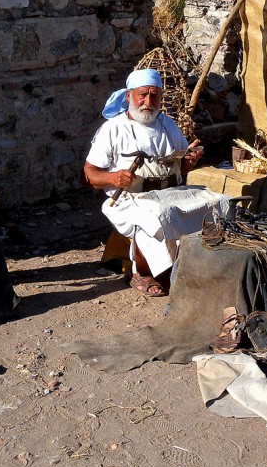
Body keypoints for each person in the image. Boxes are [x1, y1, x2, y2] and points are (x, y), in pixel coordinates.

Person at [83, 69, 232, 297]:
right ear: (128, 96)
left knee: (220, 203)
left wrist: (188, 161)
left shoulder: (167, 125)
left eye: (154, 96)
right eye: (142, 95)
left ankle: (204, 265)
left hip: (171, 191)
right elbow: (90, 174)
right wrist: (113, 178)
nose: (148, 102)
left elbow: (180, 169)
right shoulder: (113, 129)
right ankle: (141, 272)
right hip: (130, 198)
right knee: (157, 217)